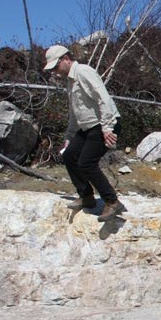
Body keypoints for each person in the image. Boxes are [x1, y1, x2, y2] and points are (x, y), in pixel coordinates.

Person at [44, 45, 126, 222]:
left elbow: (102, 98)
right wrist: (69, 136)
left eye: (56, 67)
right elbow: (75, 112)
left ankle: (112, 201)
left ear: (66, 58)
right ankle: (87, 197)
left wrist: (106, 128)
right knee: (70, 155)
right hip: (87, 127)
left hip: (105, 123)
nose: (56, 72)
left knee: (86, 163)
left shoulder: (83, 71)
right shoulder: (70, 81)